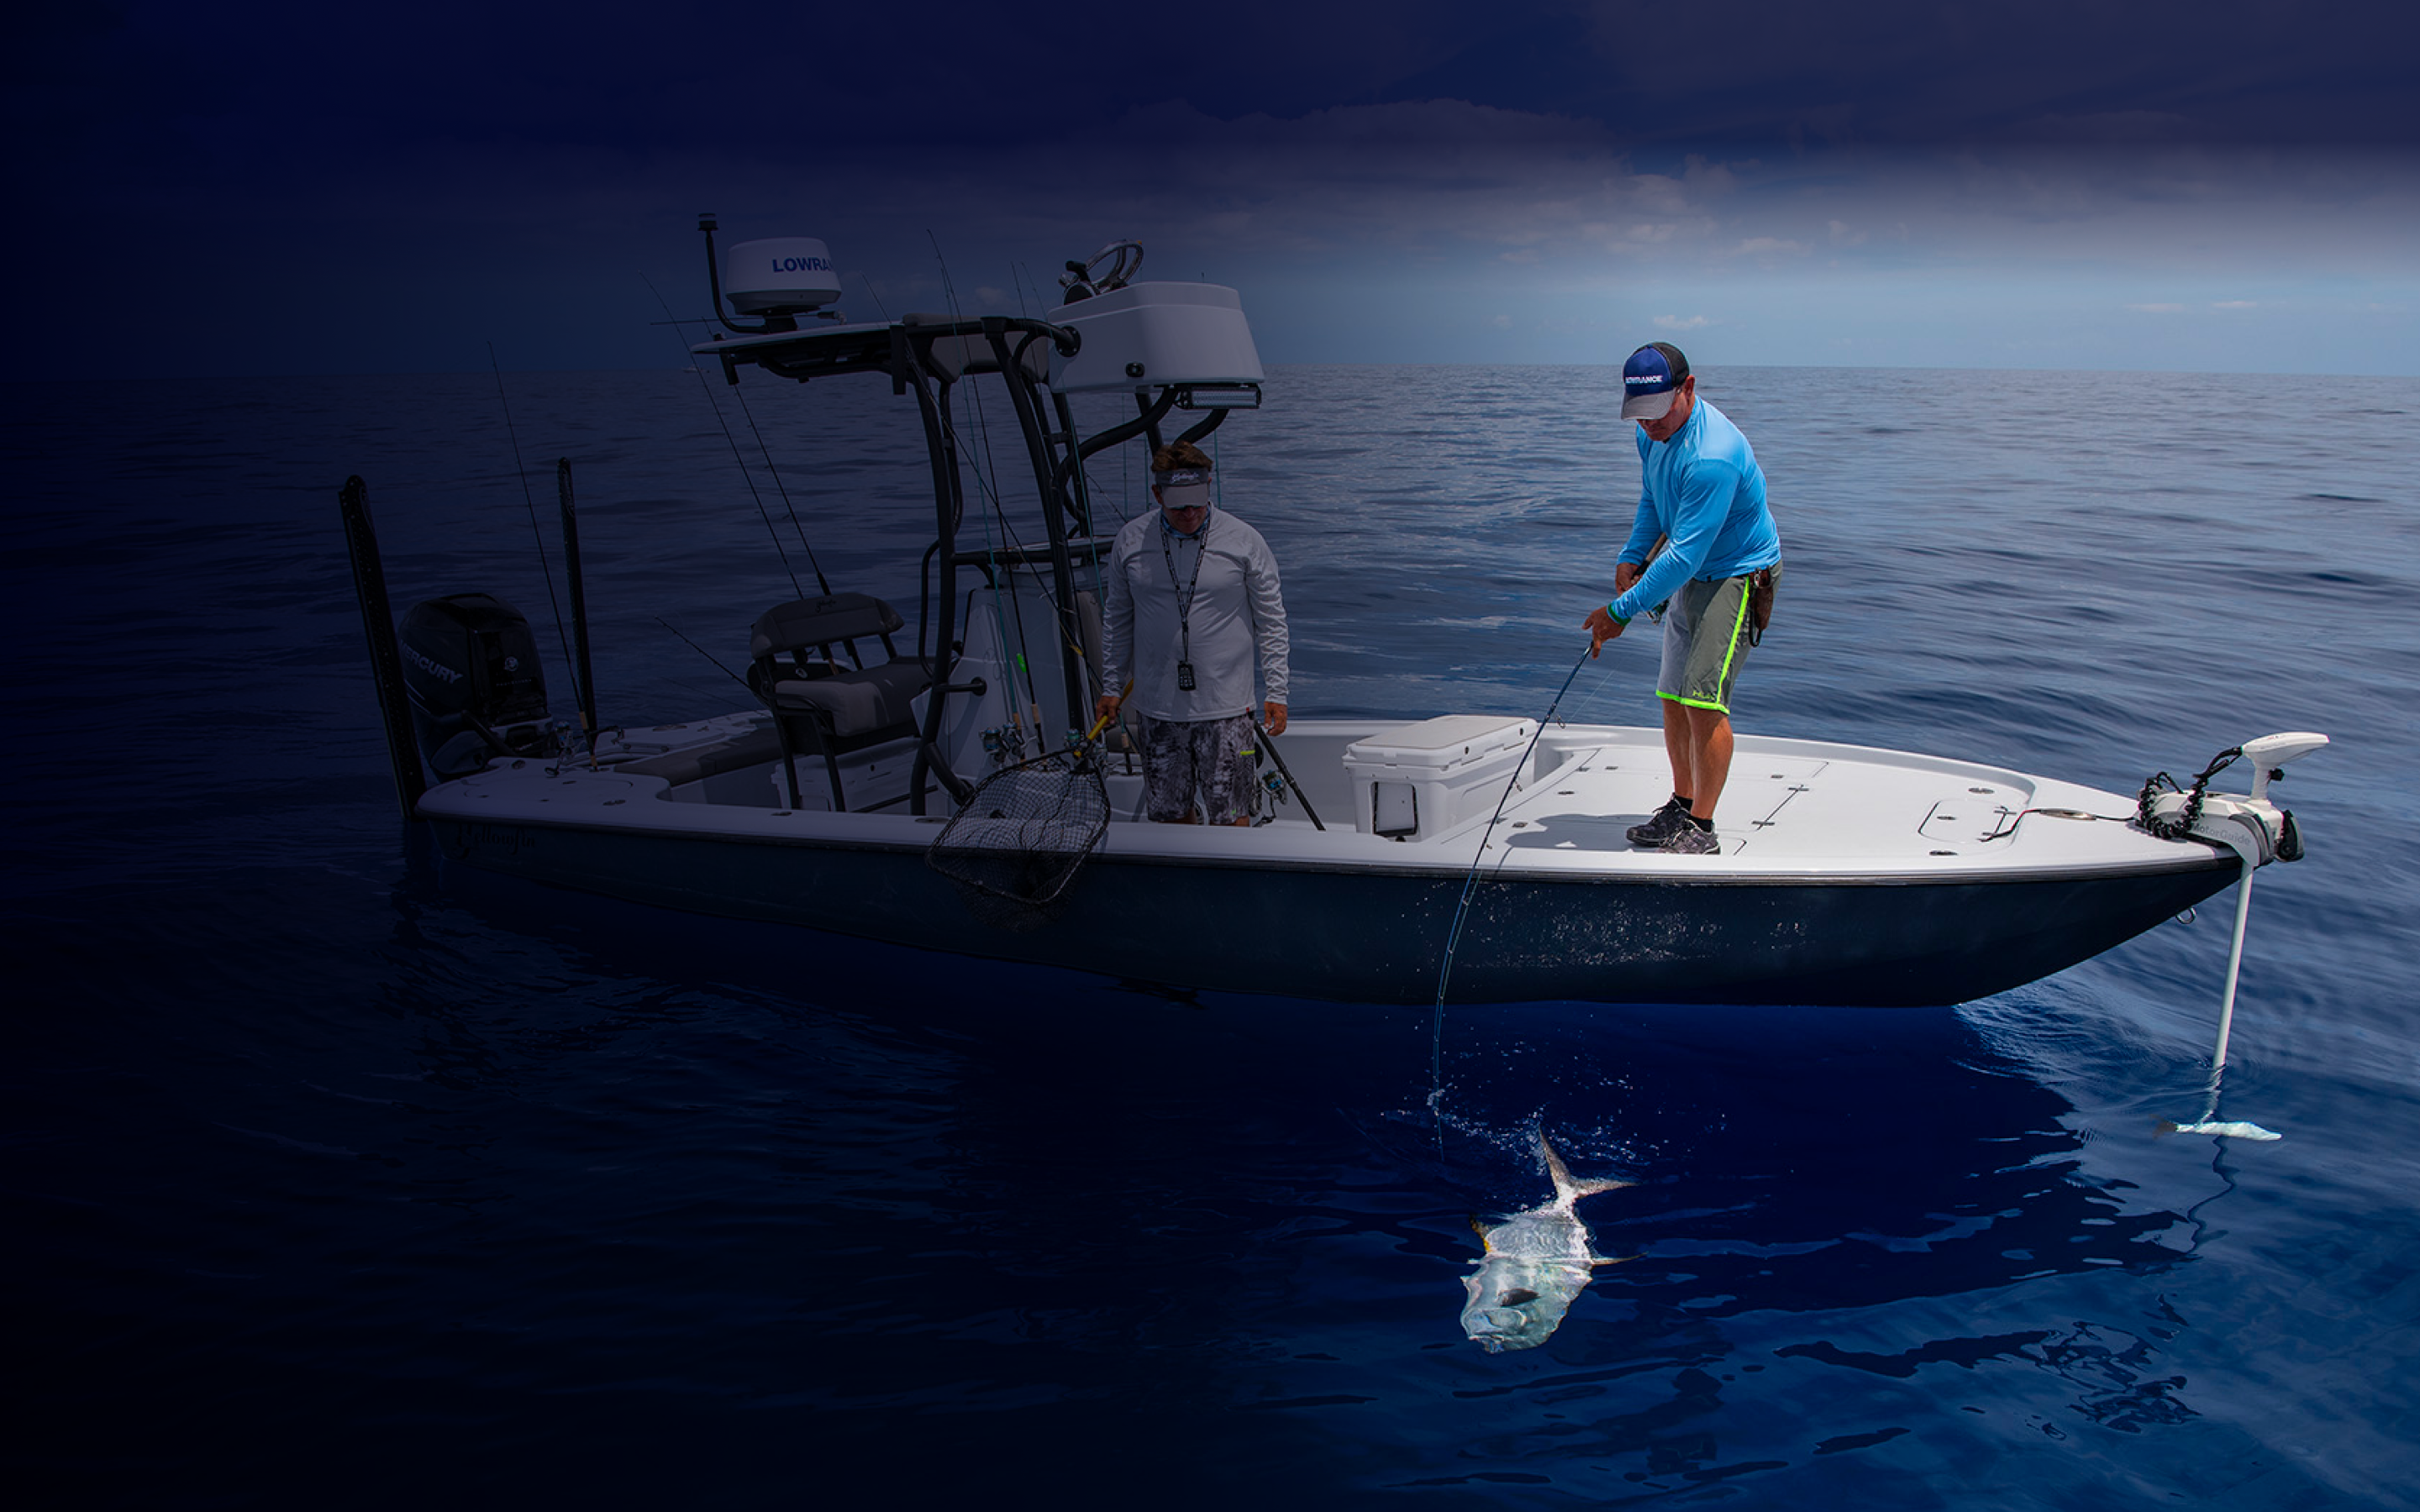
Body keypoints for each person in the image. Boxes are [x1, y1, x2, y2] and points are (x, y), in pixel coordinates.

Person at [1582, 343, 1783, 856]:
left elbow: (1683, 558)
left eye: (1657, 413)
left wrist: (1617, 613)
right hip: (1692, 570)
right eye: (1639, 414)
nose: (1648, 425)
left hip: (1737, 574)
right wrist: (1631, 553)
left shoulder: (1713, 456)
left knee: (1702, 697)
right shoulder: (1652, 434)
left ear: (1688, 389)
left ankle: (1703, 827)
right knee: (1672, 693)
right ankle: (1681, 803)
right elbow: (1653, 496)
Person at [1096, 441, 1292, 826]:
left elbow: (1272, 621)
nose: (1188, 514)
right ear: (1157, 494)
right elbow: (1117, 619)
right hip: (1157, 708)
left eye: (1197, 503)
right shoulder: (1131, 541)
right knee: (1169, 817)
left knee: (1233, 816)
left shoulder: (1244, 540)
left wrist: (1278, 692)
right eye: (1177, 505)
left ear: (1209, 487)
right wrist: (1111, 686)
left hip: (1229, 709)